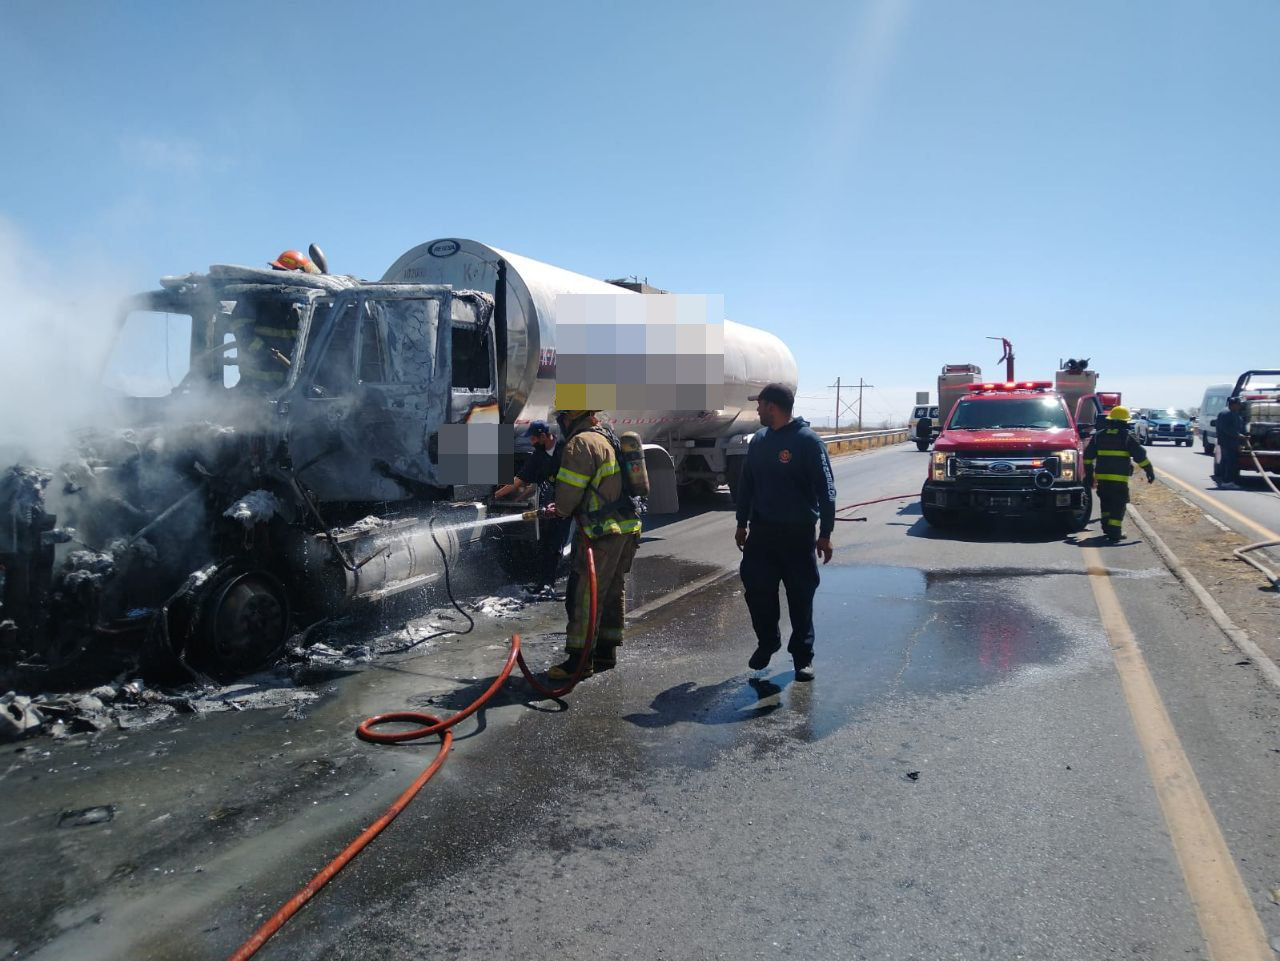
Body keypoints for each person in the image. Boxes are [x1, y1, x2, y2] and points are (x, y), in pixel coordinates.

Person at [733, 383, 836, 681]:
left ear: (773, 407)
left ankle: (803, 658)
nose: (756, 409)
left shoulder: (807, 441)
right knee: (756, 590)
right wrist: (742, 524)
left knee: (800, 597)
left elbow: (827, 491)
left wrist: (825, 533)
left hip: (797, 534)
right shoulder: (760, 440)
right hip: (762, 534)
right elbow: (747, 485)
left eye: (760, 404)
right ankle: (768, 642)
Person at [547, 409, 642, 679]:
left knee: (585, 595)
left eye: (562, 418)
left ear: (570, 417)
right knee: (611, 591)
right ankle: (605, 653)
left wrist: (561, 509)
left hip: (602, 532)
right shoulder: (607, 437)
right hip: (626, 528)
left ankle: (579, 661)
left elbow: (567, 499)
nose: (562, 424)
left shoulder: (580, 443)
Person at [493, 421, 569, 593]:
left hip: (571, 502)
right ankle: (545, 583)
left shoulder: (566, 450)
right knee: (547, 545)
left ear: (544, 436)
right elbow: (525, 481)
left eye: (534, 438)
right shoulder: (538, 456)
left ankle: (554, 584)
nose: (531, 442)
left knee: (557, 545)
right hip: (554, 505)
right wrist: (505, 496)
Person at [1083, 405, 1154, 543]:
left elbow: (1087, 457)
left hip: (1102, 479)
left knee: (1106, 503)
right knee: (1118, 504)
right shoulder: (1126, 436)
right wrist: (1149, 470)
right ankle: (1115, 533)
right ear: (1123, 422)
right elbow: (1140, 456)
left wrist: (1089, 474)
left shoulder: (1098, 436)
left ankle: (1106, 528)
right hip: (1119, 480)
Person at [1213, 398, 1245, 489]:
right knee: (1228, 462)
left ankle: (1229, 480)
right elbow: (1227, 429)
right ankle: (1226, 481)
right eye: (1238, 404)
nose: (1240, 406)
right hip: (1227, 442)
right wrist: (1239, 436)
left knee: (1231, 462)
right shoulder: (1225, 414)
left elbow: (1238, 425)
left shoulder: (1233, 413)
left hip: (1232, 442)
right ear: (1233, 404)